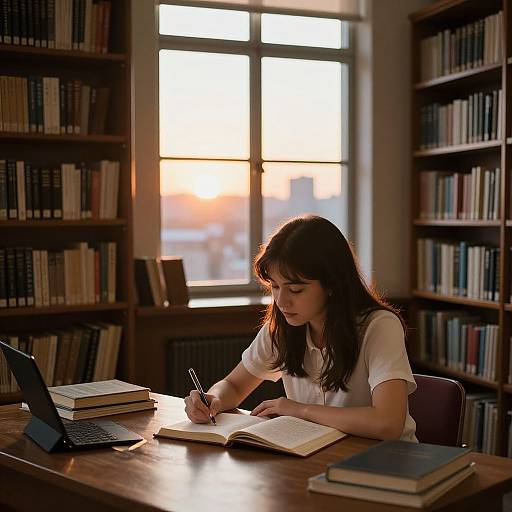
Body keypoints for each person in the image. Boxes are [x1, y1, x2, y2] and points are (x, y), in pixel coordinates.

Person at [184, 215, 417, 441]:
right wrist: (212, 399)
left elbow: (388, 423)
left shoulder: (379, 327)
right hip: (319, 456)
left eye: (295, 290)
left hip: (386, 463)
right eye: (274, 286)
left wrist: (300, 410)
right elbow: (234, 385)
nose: (281, 301)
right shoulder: (282, 328)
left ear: (332, 284)